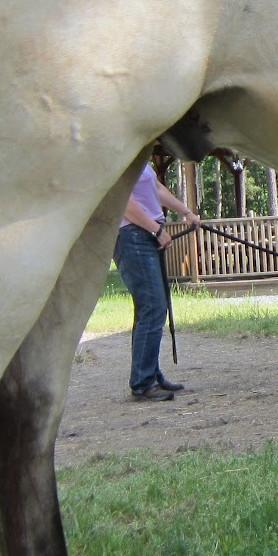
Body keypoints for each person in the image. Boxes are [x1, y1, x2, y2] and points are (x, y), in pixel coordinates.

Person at [115, 153, 201, 400]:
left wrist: (187, 212)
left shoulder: (139, 159)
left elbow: (157, 188)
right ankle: (142, 382)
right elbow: (124, 202)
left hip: (144, 234)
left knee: (151, 307)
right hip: (133, 236)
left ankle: (150, 374)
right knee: (153, 306)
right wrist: (155, 231)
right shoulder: (122, 160)